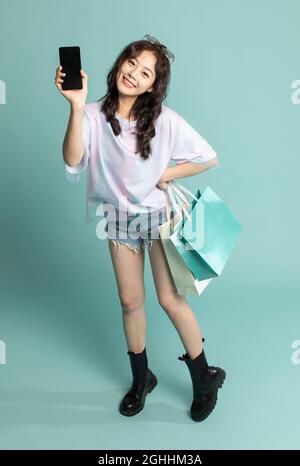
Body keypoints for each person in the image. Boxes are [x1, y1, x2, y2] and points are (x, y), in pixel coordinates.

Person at [55, 34, 226, 422]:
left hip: (157, 218)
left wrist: (168, 173)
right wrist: (76, 107)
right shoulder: (95, 115)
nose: (134, 73)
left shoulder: (165, 121)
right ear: (120, 64)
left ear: (152, 85)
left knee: (170, 300)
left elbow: (208, 158)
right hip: (117, 220)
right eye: (131, 63)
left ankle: (204, 377)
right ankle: (140, 378)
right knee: (130, 302)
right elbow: (72, 163)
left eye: (145, 71)